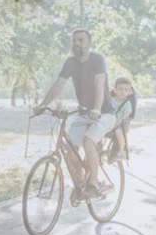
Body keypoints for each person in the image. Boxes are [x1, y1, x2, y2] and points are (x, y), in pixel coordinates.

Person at [34, 29, 116, 197]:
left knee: (88, 141)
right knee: (69, 150)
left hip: (105, 113)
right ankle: (81, 184)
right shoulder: (70, 62)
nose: (77, 43)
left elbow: (99, 84)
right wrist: (42, 105)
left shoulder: (97, 59)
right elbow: (58, 84)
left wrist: (97, 108)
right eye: (74, 41)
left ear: (89, 43)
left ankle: (93, 185)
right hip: (84, 113)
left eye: (80, 40)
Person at [108, 75, 137, 162]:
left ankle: (122, 151)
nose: (123, 92)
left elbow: (126, 117)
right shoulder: (112, 100)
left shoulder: (127, 103)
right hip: (110, 122)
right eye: (120, 89)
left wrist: (118, 124)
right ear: (114, 90)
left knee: (118, 133)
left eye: (126, 90)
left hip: (120, 124)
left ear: (130, 92)